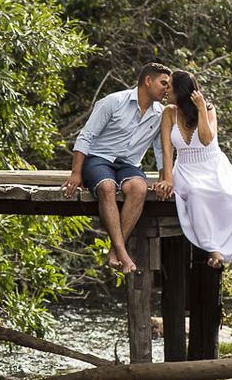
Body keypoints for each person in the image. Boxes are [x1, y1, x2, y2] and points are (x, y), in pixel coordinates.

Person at [62, 63, 172, 274]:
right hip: (99, 159)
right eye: (163, 83)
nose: (166, 89)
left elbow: (161, 150)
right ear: (148, 81)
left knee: (139, 188)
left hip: (129, 165)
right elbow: (86, 136)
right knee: (106, 187)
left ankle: (115, 250)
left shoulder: (160, 114)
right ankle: (123, 253)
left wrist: (163, 179)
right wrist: (76, 173)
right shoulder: (113, 102)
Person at [153, 70, 232, 269]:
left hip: (213, 166)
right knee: (196, 192)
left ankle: (220, 243)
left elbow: (207, 140)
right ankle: (212, 248)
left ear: (180, 92)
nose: (166, 90)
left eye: (170, 86)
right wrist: (168, 180)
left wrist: (200, 110)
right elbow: (166, 150)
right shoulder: (168, 112)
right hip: (185, 168)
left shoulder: (208, 108)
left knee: (224, 193)